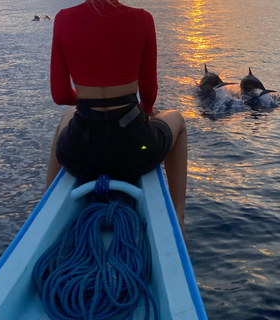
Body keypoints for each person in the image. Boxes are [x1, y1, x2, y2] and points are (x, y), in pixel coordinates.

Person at [45, 0, 187, 237]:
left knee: (67, 117)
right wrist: (146, 110)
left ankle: (46, 209)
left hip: (80, 154)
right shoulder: (142, 19)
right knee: (178, 121)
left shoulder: (62, 19)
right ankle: (178, 219)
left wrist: (87, 97)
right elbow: (149, 93)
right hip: (133, 151)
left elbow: (60, 95)